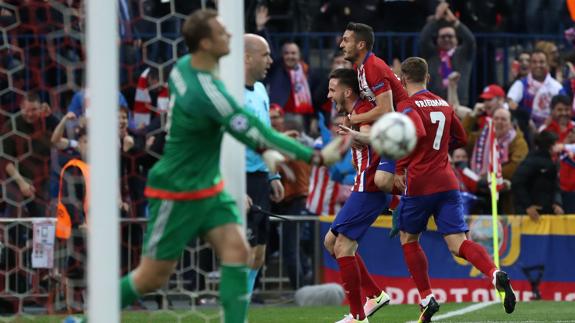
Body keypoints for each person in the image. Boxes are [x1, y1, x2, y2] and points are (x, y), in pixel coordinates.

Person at [114, 10, 348, 323]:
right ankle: (87, 317)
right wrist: (314, 156)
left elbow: (252, 133)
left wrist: (266, 157)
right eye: (223, 33)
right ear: (207, 43)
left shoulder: (183, 68)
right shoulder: (208, 93)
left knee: (240, 253)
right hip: (177, 189)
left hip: (210, 187)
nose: (230, 36)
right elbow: (255, 131)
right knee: (150, 277)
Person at [394, 57, 516, 323]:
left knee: (409, 238)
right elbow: (460, 138)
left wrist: (400, 167)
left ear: (402, 79)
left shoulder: (406, 105)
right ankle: (495, 272)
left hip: (420, 182)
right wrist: (439, 152)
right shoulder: (443, 104)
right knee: (459, 242)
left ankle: (426, 298)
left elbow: (412, 136)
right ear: (427, 78)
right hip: (448, 182)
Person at [323, 68, 393, 323]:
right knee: (331, 243)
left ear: (347, 91)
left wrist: (359, 137)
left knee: (342, 246)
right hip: (362, 185)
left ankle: (357, 316)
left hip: (370, 189)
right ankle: (374, 295)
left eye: (332, 90)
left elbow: (379, 136)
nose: (329, 95)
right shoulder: (357, 113)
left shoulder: (363, 114)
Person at [339, 22, 408, 192]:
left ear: (360, 45)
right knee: (372, 176)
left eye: (346, 40)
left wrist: (353, 119)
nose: (341, 45)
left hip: (404, 128)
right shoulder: (359, 67)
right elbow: (366, 105)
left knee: (382, 181)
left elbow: (386, 110)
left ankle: (413, 196)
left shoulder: (373, 67)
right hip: (390, 128)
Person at [242, 33, 283, 296]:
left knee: (258, 253)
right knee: (238, 253)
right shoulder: (230, 94)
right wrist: (233, 187)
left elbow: (265, 135)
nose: (270, 60)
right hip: (239, 178)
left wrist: (272, 176)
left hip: (258, 178)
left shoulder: (259, 89)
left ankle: (240, 308)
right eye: (265, 54)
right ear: (247, 58)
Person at [419, 1, 476, 106]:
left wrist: (455, 22)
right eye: (442, 36)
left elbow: (470, 41)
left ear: (456, 39)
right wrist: (436, 19)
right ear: (437, 39)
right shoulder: (432, 54)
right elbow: (423, 40)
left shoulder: (463, 54)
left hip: (459, 104)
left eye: (450, 36)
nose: (446, 39)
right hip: (435, 103)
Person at [507, 49, 565, 145]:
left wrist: (546, 124)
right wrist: (528, 119)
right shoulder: (521, 84)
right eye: (534, 62)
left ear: (547, 64)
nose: (538, 65)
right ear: (530, 65)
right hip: (526, 131)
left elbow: (564, 107)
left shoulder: (556, 86)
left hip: (550, 132)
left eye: (541, 62)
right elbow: (509, 102)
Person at [512, 131, 564, 221]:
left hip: (547, 213)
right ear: (551, 146)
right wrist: (528, 206)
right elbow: (517, 182)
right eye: (557, 144)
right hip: (530, 215)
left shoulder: (551, 163)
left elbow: (555, 186)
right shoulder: (531, 161)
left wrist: (557, 203)